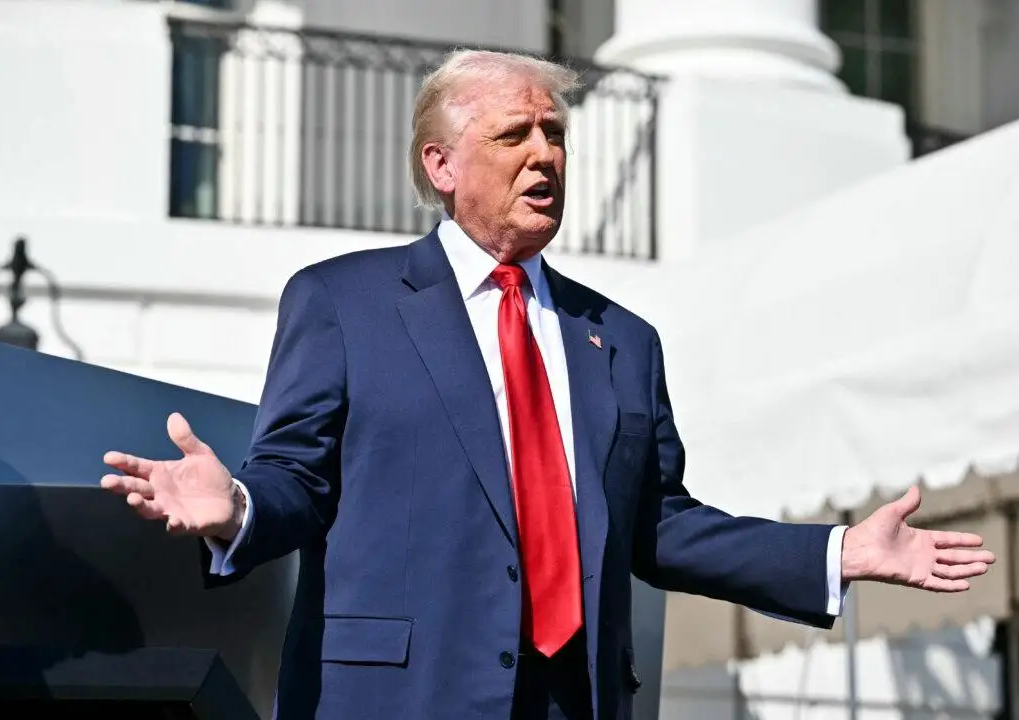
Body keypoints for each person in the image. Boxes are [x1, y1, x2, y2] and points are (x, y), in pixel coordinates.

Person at [100, 50, 995, 720]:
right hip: (400, 700)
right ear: (440, 166)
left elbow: (659, 526)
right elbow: (297, 479)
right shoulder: (344, 302)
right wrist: (238, 509)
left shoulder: (623, 342)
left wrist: (838, 554)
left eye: (555, 134)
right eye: (514, 135)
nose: (545, 155)